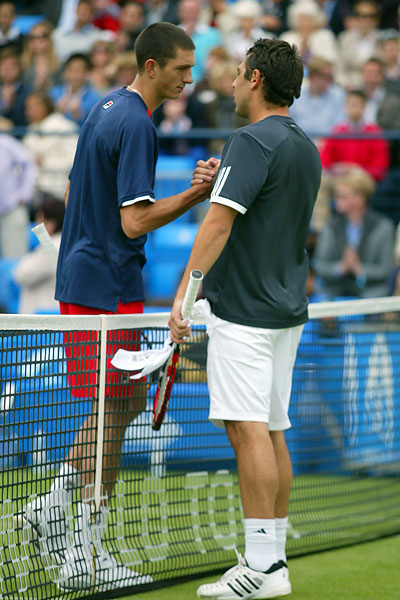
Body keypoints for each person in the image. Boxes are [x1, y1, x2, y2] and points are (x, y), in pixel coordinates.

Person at [20, 21, 215, 593]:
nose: (189, 78)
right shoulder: (136, 123)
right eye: (181, 68)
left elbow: (85, 198)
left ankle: (51, 507)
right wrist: (195, 194)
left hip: (98, 282)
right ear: (151, 66)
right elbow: (134, 220)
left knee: (121, 403)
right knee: (112, 412)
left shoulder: (105, 106)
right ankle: (84, 553)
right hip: (103, 289)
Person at [169, 38, 321, 599]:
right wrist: (227, 175)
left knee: (247, 429)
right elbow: (265, 207)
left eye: (238, 73)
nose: (231, 82)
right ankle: (273, 564)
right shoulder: (304, 146)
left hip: (245, 313)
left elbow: (217, 225)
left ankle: (259, 565)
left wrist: (184, 293)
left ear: (255, 79)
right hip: (285, 313)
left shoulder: (249, 139)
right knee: (272, 429)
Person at [314, 167, 395, 299]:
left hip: (370, 291)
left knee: (376, 297)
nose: (336, 199)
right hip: (335, 289)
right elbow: (320, 266)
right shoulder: (330, 227)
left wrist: (359, 269)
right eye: (336, 195)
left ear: (360, 198)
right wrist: (340, 268)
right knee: (322, 297)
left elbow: (385, 269)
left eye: (342, 196)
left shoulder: (383, 227)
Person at [319, 88, 390, 182]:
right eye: (351, 104)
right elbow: (325, 161)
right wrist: (337, 169)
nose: (354, 108)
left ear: (364, 107)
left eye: (357, 104)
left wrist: (358, 170)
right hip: (339, 180)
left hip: (365, 181)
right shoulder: (336, 133)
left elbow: (380, 166)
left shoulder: (375, 133)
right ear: (345, 106)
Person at [23, 91, 79, 202]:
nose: (30, 111)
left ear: (46, 106)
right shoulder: (30, 130)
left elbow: (75, 158)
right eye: (28, 107)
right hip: (35, 190)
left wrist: (44, 162)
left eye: (35, 105)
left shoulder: (64, 127)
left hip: (59, 189)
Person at [13, 196, 65, 314]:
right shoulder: (66, 244)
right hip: (54, 313)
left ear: (51, 223)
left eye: (39, 219)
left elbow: (21, 274)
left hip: (43, 317)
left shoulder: (50, 248)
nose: (36, 224)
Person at [0, 132, 36, 258]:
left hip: (10, 209)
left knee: (16, 260)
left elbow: (29, 162)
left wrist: (25, 193)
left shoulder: (5, 142)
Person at [49, 52, 101, 126]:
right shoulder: (53, 93)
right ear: (65, 72)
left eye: (79, 70)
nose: (75, 75)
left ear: (87, 73)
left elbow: (94, 126)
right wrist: (56, 111)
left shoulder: (95, 99)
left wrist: (78, 116)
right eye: (71, 70)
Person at [21, 21, 60, 93]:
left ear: (49, 40)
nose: (36, 42)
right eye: (32, 37)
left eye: (41, 37)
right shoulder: (22, 63)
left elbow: (62, 88)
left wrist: (50, 86)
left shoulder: (59, 64)